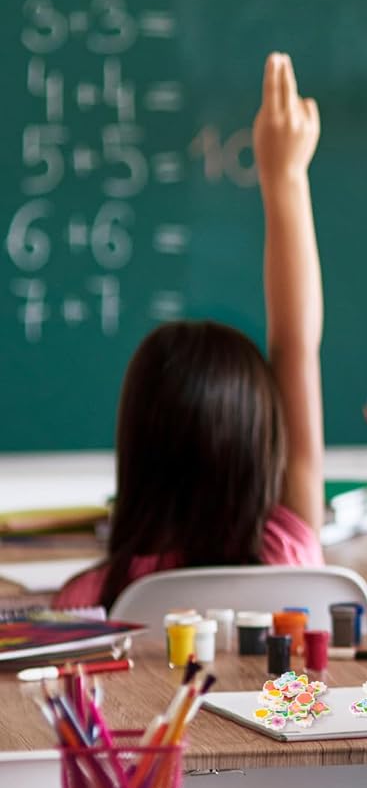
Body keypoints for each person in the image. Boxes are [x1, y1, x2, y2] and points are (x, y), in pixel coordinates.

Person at [56, 54, 325, 610]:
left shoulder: (91, 603)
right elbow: (295, 346)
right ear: (263, 448)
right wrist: (286, 177)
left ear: (136, 447)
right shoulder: (289, 555)